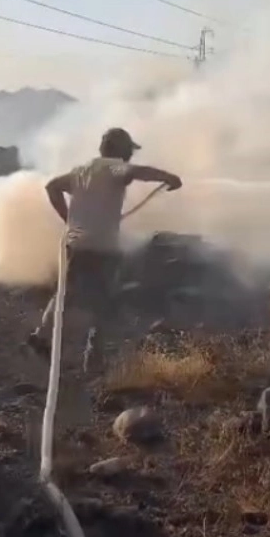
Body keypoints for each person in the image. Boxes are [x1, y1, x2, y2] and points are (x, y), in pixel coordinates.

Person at [27, 127, 182, 374]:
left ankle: (42, 336)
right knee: (107, 301)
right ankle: (94, 357)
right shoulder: (114, 167)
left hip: (77, 244)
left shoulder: (82, 171)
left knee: (68, 293)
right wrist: (170, 178)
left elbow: (52, 187)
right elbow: (137, 171)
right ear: (122, 150)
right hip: (102, 247)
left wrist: (68, 219)